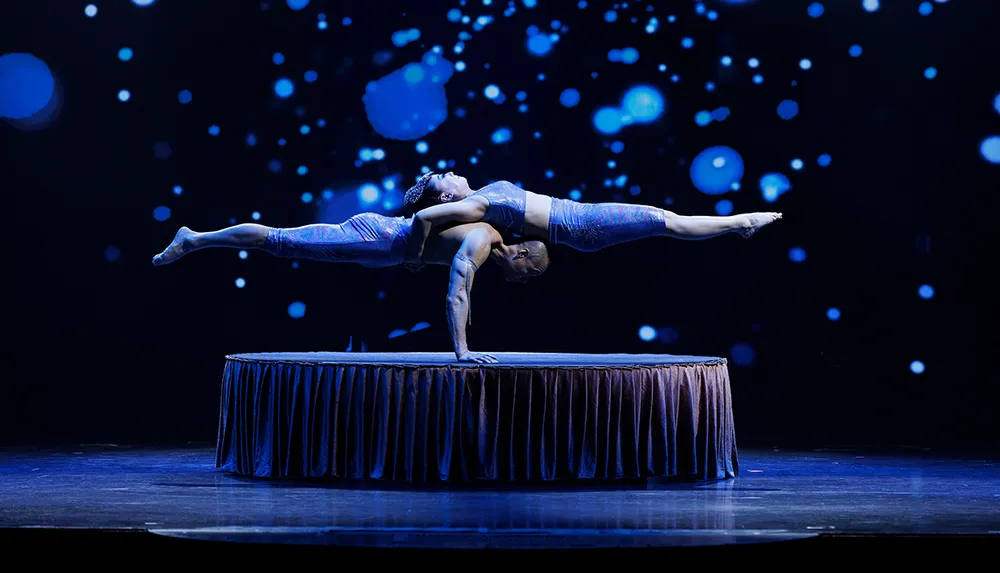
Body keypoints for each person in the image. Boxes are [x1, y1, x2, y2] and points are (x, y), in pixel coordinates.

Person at [152, 214, 549, 364]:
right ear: (522, 255)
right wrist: (462, 351)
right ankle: (196, 238)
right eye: (532, 272)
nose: (528, 280)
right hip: (374, 238)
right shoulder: (482, 240)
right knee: (279, 239)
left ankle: (198, 239)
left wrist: (411, 256)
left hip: (381, 250)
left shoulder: (487, 242)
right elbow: (457, 293)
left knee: (283, 243)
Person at [402, 172, 782, 270]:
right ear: (448, 195)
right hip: (581, 225)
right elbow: (421, 217)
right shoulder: (477, 206)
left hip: (580, 218)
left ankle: (738, 223)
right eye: (443, 177)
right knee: (665, 221)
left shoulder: (482, 195)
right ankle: (741, 222)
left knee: (666, 221)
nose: (450, 171)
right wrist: (415, 257)